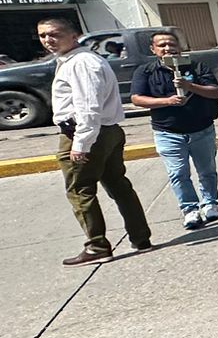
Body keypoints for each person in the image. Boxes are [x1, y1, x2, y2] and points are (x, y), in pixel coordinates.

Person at [39, 16, 153, 265]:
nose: (48, 40)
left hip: (86, 132)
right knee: (118, 184)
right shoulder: (72, 61)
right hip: (103, 131)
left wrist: (80, 143)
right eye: (43, 35)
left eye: (55, 34)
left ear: (74, 36)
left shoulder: (81, 63)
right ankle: (140, 237)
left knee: (80, 190)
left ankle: (97, 246)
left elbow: (88, 107)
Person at [130, 31, 218, 230]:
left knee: (207, 170)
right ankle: (190, 209)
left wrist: (189, 85)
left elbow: (216, 91)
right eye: (162, 45)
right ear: (153, 49)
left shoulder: (196, 66)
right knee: (178, 173)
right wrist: (167, 101)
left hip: (201, 129)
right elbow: (137, 99)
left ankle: (210, 203)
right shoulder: (146, 71)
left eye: (171, 44)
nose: (168, 48)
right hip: (167, 132)